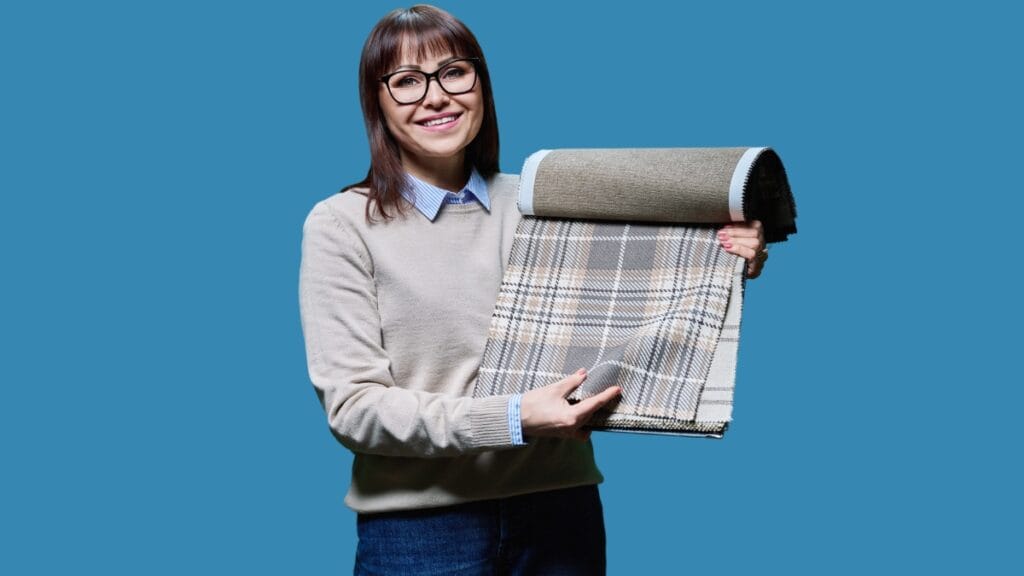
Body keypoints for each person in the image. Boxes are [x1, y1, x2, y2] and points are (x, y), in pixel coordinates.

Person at [298, 5, 767, 574]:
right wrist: (512, 418)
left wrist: (724, 256)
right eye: (405, 82)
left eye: (454, 72)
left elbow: (638, 289)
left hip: (560, 512)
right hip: (421, 531)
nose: (436, 96)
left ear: (481, 84)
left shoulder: (544, 201)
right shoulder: (343, 224)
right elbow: (355, 409)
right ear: (377, 103)